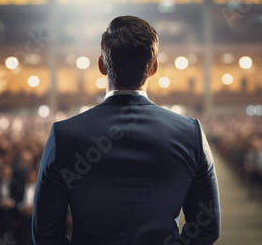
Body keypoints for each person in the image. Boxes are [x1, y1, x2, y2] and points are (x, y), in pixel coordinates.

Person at [32, 16, 221, 245]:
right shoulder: (191, 133)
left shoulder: (63, 135)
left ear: (102, 65)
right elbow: (207, 228)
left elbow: (45, 234)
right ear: (153, 67)